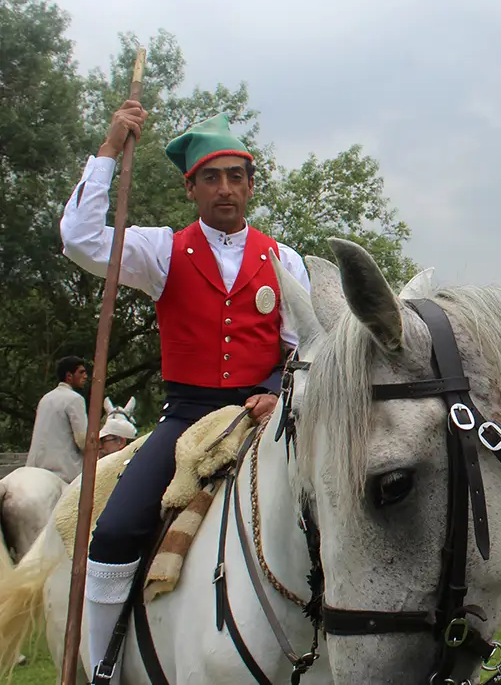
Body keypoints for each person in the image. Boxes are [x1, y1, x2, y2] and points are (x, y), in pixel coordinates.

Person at [59, 101, 311, 682]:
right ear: (190, 187)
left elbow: (302, 345)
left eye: (236, 177)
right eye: (212, 178)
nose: (226, 189)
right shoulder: (161, 250)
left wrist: (276, 388)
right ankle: (103, 667)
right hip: (186, 417)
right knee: (116, 531)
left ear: (250, 185)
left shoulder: (284, 258)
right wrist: (107, 148)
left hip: (266, 414)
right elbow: (79, 238)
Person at [25, 356, 90, 482]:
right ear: (69, 376)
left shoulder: (45, 398)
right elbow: (83, 440)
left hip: (35, 467)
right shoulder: (75, 399)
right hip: (63, 471)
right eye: (81, 372)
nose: (85, 376)